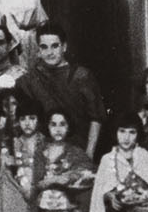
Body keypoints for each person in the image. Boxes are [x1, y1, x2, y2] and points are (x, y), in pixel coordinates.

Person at [14, 29, 107, 157]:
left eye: (55, 46)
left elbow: (96, 118)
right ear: (38, 50)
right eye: (44, 47)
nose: (49, 52)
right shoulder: (29, 80)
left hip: (78, 150)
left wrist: (88, 154)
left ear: (64, 47)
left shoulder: (81, 76)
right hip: (44, 154)